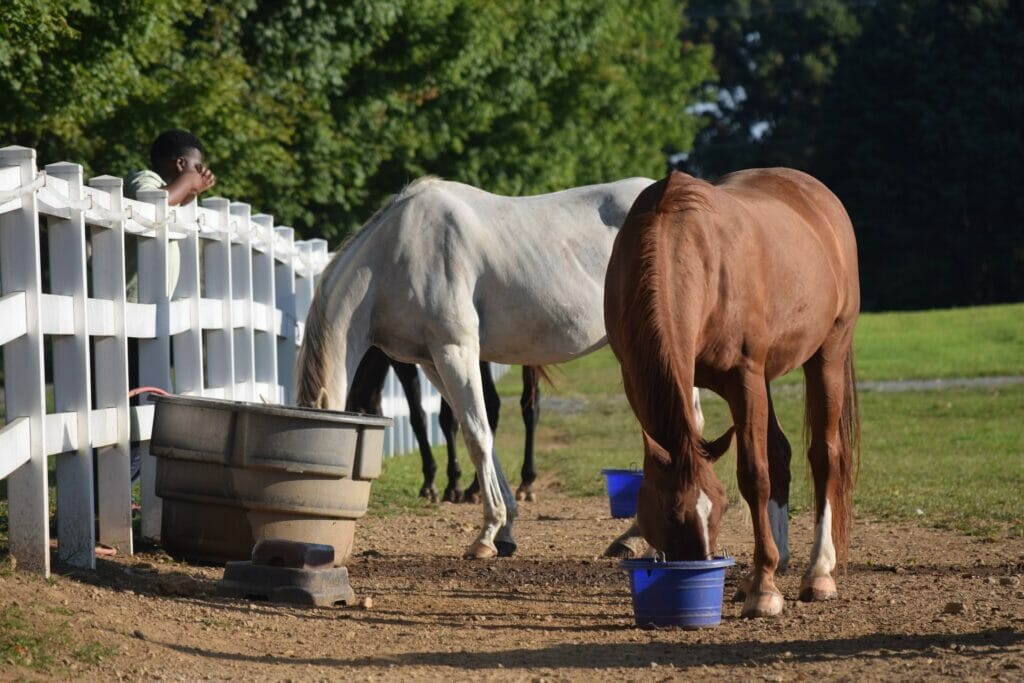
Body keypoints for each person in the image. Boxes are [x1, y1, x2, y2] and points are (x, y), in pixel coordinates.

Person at [122, 130, 215, 483]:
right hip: (130, 315)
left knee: (148, 401)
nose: (201, 173)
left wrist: (190, 189)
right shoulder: (145, 180)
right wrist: (188, 183)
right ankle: (107, 495)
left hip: (152, 318)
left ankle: (121, 488)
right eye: (196, 166)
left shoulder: (177, 195)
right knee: (130, 403)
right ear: (180, 164)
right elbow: (150, 204)